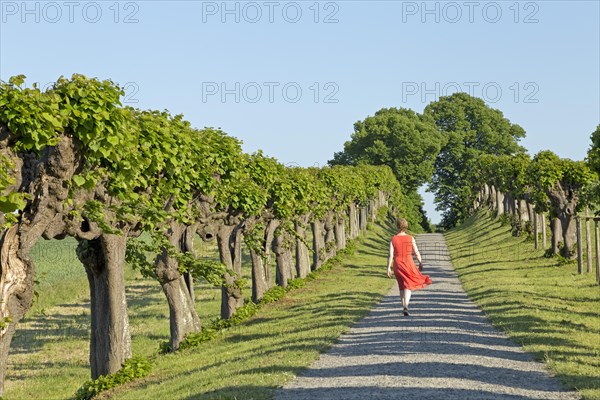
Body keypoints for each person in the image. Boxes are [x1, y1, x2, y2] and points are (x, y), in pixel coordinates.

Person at [387, 218, 432, 316]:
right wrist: (420, 262)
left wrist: (388, 268)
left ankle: (403, 305)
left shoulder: (393, 239)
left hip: (397, 264)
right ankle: (406, 306)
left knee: (401, 286)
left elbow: (391, 255)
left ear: (397, 226)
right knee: (408, 285)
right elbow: (416, 252)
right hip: (408, 263)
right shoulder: (410, 238)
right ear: (406, 226)